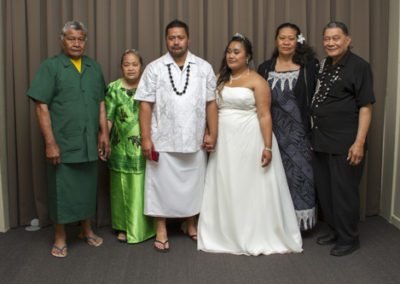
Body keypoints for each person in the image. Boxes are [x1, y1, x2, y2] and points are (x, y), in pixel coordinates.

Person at [197, 33, 302, 255]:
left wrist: (267, 146)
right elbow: (210, 109)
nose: (231, 56)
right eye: (229, 51)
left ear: (247, 56)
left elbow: (265, 115)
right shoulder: (219, 79)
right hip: (224, 140)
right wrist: (209, 132)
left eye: (236, 52)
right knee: (227, 183)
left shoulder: (257, 81)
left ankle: (252, 232)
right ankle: (226, 233)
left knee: (249, 186)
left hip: (250, 139)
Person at [27, 21, 110, 257]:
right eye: (72, 38)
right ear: (62, 40)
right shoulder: (51, 67)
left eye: (81, 39)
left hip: (88, 142)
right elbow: (41, 106)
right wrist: (50, 143)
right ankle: (60, 236)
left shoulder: (94, 67)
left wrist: (104, 132)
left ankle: (86, 229)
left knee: (87, 188)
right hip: (63, 142)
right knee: (60, 190)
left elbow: (101, 103)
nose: (77, 43)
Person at [135, 19, 218, 252]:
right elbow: (145, 106)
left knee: (193, 184)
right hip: (162, 138)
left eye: (180, 37)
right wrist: (145, 138)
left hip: (195, 138)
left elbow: (211, 103)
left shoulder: (203, 67)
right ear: (166, 40)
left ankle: (191, 223)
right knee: (160, 185)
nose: (176, 42)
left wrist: (213, 133)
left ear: (188, 39)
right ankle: (160, 227)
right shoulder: (154, 68)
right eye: (171, 37)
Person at [311, 21, 375, 256]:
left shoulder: (359, 66)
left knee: (344, 192)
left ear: (347, 39)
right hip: (321, 140)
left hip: (345, 142)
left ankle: (349, 238)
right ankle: (336, 230)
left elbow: (366, 107)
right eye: (327, 38)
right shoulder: (325, 64)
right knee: (326, 192)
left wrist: (359, 143)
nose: (330, 43)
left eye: (336, 38)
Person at [257, 23, 318, 230]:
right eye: (282, 38)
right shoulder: (265, 68)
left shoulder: (310, 67)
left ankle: (301, 224)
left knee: (301, 178)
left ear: (298, 41)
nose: (286, 42)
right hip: (272, 135)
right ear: (276, 40)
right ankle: (278, 223)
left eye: (291, 38)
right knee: (273, 180)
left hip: (300, 136)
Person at [105, 49, 155, 243]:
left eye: (135, 64)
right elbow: (108, 117)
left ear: (141, 66)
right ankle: (124, 226)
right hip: (119, 146)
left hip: (145, 145)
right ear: (121, 67)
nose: (131, 68)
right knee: (121, 187)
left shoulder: (149, 86)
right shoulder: (114, 88)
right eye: (127, 64)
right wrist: (103, 139)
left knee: (144, 186)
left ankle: (147, 227)